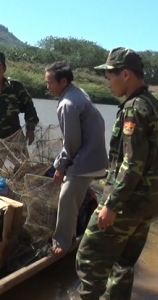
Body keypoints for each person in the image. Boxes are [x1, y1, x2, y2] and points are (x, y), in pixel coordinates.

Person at [76, 47, 158, 300]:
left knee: (88, 257)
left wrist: (111, 204)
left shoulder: (134, 108)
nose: (107, 82)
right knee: (124, 263)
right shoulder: (153, 104)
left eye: (109, 76)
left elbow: (132, 163)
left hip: (128, 202)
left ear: (125, 74)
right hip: (148, 202)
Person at [44, 61, 108, 255]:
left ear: (63, 82)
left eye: (50, 83)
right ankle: (87, 203)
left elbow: (71, 141)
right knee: (69, 190)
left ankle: (62, 242)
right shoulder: (77, 92)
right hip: (94, 155)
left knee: (66, 196)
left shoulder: (67, 104)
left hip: (86, 158)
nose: (47, 87)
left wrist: (61, 166)